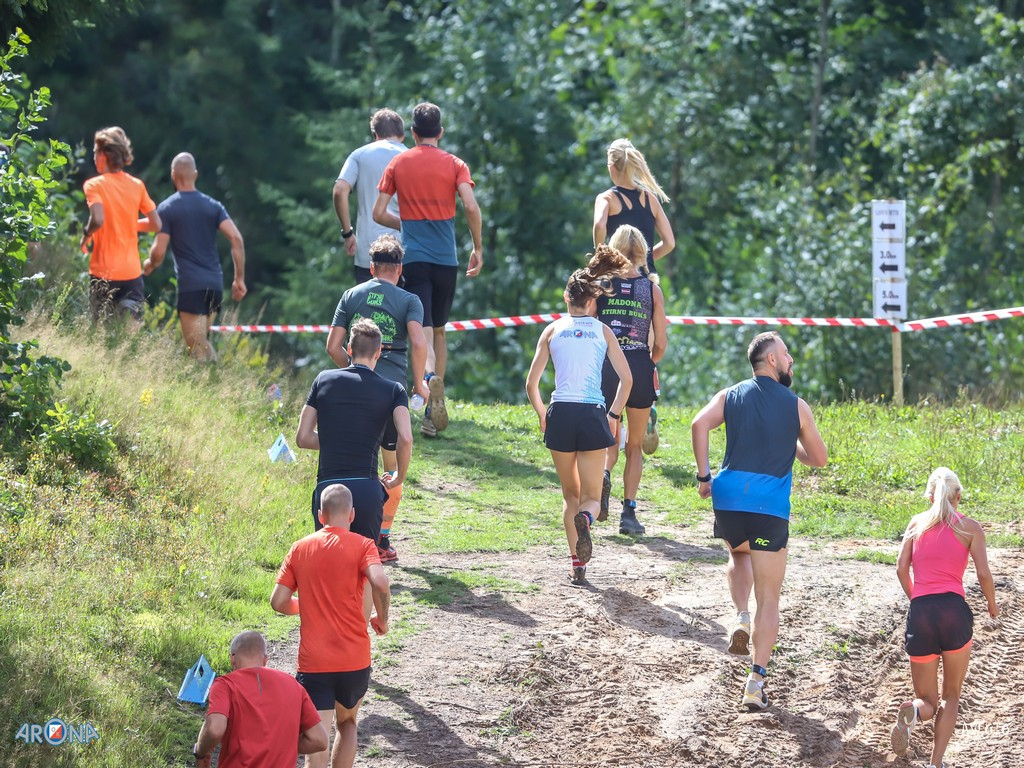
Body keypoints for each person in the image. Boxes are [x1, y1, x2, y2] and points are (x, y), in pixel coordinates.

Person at [690, 331, 827, 710]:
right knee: (769, 597)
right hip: (769, 505)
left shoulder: (730, 394)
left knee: (739, 554)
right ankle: (755, 682)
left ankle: (740, 616)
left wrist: (704, 477)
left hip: (729, 498)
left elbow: (698, 424)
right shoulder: (796, 406)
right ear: (771, 360)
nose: (791, 360)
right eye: (786, 353)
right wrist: (792, 442)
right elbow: (819, 458)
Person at [372, 102, 483, 438]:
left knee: (421, 330)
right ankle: (433, 414)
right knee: (439, 330)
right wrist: (478, 247)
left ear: (413, 133)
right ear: (440, 132)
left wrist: (407, 224)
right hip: (446, 259)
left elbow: (379, 212)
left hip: (414, 258)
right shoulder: (455, 164)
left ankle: (429, 380)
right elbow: (470, 205)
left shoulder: (398, 162)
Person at [526, 245, 633, 586]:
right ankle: (586, 519)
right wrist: (614, 414)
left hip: (560, 413)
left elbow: (531, 384)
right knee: (591, 499)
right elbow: (627, 380)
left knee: (569, 496)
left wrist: (542, 413)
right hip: (592, 413)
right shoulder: (602, 331)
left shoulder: (552, 330)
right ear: (592, 301)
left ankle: (577, 566)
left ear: (566, 298)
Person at [271, 484, 391, 768]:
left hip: (314, 661)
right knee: (348, 723)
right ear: (352, 515)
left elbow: (278, 601)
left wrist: (307, 605)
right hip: (354, 657)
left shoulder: (300, 548)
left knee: (317, 734)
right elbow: (380, 582)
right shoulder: (364, 546)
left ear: (320, 515)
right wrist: (382, 619)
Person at [326, 234, 428, 562]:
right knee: (390, 469)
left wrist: (353, 370)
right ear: (399, 269)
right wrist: (419, 384)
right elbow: (419, 342)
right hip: (390, 392)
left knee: (356, 462)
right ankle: (381, 539)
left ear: (371, 268)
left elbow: (332, 346)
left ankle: (343, 532)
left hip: (352, 392)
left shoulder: (350, 295)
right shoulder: (410, 300)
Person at [890, 467, 998, 767]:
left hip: (922, 612)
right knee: (951, 696)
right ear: (958, 496)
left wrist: (917, 600)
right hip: (953, 612)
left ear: (930, 497)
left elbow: (901, 568)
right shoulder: (970, 528)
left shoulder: (916, 523)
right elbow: (983, 573)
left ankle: (914, 710)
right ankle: (935, 763)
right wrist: (992, 605)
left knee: (927, 699)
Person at [297, 318, 412, 544]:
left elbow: (303, 437)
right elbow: (406, 438)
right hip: (366, 489)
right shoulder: (394, 390)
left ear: (349, 349)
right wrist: (400, 476)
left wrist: (337, 441)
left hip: (329, 489)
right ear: (378, 353)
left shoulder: (323, 380)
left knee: (329, 559)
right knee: (364, 560)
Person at [595, 226, 667, 536]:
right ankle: (629, 512)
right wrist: (649, 363)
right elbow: (660, 342)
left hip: (607, 366)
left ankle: (604, 476)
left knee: (607, 437)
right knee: (634, 445)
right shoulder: (652, 290)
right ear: (643, 252)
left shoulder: (601, 286)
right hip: (638, 366)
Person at [142, 152, 247, 361]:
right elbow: (236, 238)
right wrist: (239, 279)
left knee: (196, 348)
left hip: (191, 286)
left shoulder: (168, 208)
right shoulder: (214, 206)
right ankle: (216, 377)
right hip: (214, 286)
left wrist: (150, 265)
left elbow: (159, 251)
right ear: (195, 174)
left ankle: (217, 378)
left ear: (173, 175)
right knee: (202, 342)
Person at [192, 630, 328, 768]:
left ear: (232, 658)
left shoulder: (225, 685)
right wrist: (281, 747)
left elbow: (214, 729)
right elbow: (319, 740)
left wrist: (200, 753)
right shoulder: (294, 685)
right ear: (265, 659)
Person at [80, 126, 161, 322]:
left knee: (101, 332)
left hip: (103, 273)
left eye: (95, 152)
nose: (94, 157)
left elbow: (97, 219)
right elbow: (156, 224)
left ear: (103, 155)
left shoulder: (94, 185)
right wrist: (128, 224)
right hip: (132, 274)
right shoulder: (137, 185)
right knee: (130, 333)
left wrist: (86, 234)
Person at [333, 108, 407, 284]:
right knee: (402, 301)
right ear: (402, 135)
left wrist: (348, 233)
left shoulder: (359, 155)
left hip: (368, 253)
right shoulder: (411, 156)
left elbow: (339, 190)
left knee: (369, 301)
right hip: (403, 252)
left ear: (375, 134)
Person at [592, 138, 675, 279]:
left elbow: (600, 226)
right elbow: (669, 243)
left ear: (611, 167)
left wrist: (600, 259)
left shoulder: (607, 198)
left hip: (618, 280)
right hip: (646, 281)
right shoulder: (651, 199)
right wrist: (642, 259)